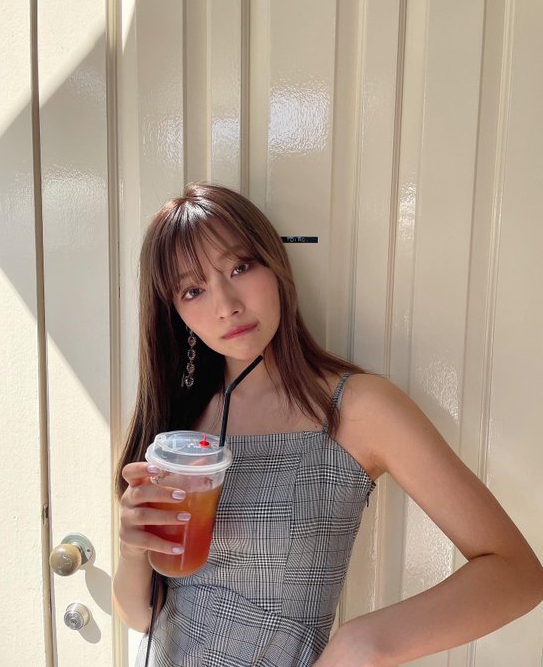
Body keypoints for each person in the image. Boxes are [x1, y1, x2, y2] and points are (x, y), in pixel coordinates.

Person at [113, 182, 543, 667]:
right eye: (193, 290)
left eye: (240, 267)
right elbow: (141, 616)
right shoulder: (181, 424)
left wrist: (361, 644)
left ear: (275, 264)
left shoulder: (356, 409)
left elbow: (517, 573)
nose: (226, 304)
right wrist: (132, 549)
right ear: (176, 313)